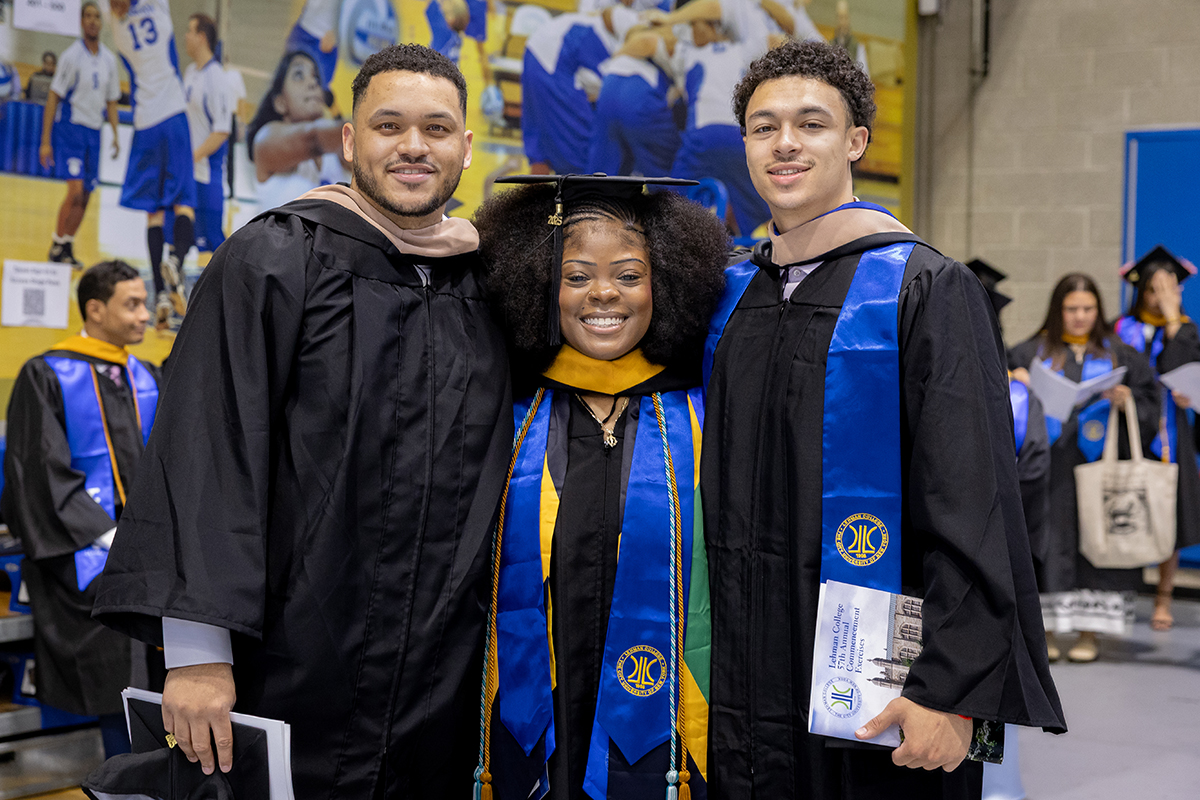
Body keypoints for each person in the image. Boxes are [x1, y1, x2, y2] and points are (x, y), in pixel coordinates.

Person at [91, 44, 512, 798]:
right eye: (389, 125)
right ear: (350, 140)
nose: (414, 147)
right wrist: (195, 655)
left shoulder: (487, 281)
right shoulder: (275, 257)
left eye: (437, 129)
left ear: (466, 148)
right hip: (289, 659)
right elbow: (205, 449)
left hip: (440, 677)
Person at [701, 39, 1066, 799]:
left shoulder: (924, 286)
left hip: (883, 682)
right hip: (742, 677)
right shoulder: (729, 294)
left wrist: (950, 691)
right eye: (764, 127)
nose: (785, 144)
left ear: (855, 141)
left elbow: (974, 503)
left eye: (811, 123)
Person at [472, 174, 728, 800]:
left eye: (630, 275)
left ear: (665, 281)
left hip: (672, 714)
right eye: (577, 275)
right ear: (540, 284)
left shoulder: (703, 417)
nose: (604, 294)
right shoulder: (507, 413)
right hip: (536, 714)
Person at [1, 260, 159, 759]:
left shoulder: (146, 376)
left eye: (144, 302)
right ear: (95, 309)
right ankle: (124, 779)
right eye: (131, 304)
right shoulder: (47, 374)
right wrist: (113, 539)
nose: (145, 315)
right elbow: (37, 472)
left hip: (152, 557)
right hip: (86, 558)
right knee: (117, 677)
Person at [1009, 274, 1159, 663]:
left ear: (1099, 311)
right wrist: (1017, 383)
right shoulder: (1030, 352)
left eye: (1088, 309)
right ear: (1058, 311)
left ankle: (1089, 632)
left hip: (1095, 469)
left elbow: (1150, 403)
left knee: (1093, 545)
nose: (1079, 317)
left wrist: (1126, 399)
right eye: (1071, 309)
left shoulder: (1119, 355)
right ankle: (1042, 631)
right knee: (1044, 543)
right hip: (1047, 473)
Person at [1111, 245, 1200, 632]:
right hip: (1130, 428)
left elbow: (1182, 371)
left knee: (1169, 511)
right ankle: (1123, 595)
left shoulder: (1186, 329)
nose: (1160, 297)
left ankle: (1163, 595)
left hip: (1169, 430)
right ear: (1140, 291)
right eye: (1153, 289)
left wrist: (1170, 317)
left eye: (1168, 290)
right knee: (1126, 507)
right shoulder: (1121, 329)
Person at [104, 0, 197, 328]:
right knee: (184, 202)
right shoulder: (156, 7)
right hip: (172, 115)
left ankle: (159, 293)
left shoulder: (115, 22)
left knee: (154, 212)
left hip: (144, 123)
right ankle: (175, 259)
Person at [649, 0, 778, 238]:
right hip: (739, 140)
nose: (690, 31)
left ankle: (665, 247)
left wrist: (661, 22)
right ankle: (761, 251)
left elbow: (651, 41)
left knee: (669, 203)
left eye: (695, 25)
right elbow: (775, 41)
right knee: (761, 207)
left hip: (704, 138)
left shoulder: (688, 54)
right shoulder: (743, 51)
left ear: (714, 27)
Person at [40, 2, 120, 268]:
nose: (93, 21)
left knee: (86, 194)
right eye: (88, 16)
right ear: (81, 21)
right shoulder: (71, 56)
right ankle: (56, 244)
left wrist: (116, 134)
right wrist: (45, 142)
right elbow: (53, 97)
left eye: (97, 17)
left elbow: (111, 101)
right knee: (74, 192)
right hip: (71, 130)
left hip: (94, 133)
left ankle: (66, 245)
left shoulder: (109, 60)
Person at [521, 8, 635, 174]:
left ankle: (536, 199)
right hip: (553, 60)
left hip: (538, 49)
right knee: (578, 149)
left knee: (541, 147)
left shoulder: (595, 27)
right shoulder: (606, 41)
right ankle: (577, 196)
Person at [245, 50, 348, 211]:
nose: (313, 83)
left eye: (316, 77)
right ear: (280, 103)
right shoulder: (266, 140)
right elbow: (313, 138)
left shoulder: (337, 152)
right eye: (299, 75)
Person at [584, 27, 682, 178]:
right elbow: (645, 40)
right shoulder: (670, 42)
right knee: (667, 174)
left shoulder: (618, 58)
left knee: (602, 173)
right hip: (641, 95)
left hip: (608, 91)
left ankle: (591, 199)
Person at [180, 13, 232, 254]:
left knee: (211, 241)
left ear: (201, 37)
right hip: (187, 171)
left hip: (206, 173)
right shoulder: (190, 72)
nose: (186, 37)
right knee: (179, 233)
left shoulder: (217, 78)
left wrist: (193, 157)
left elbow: (222, 131)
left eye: (190, 32)